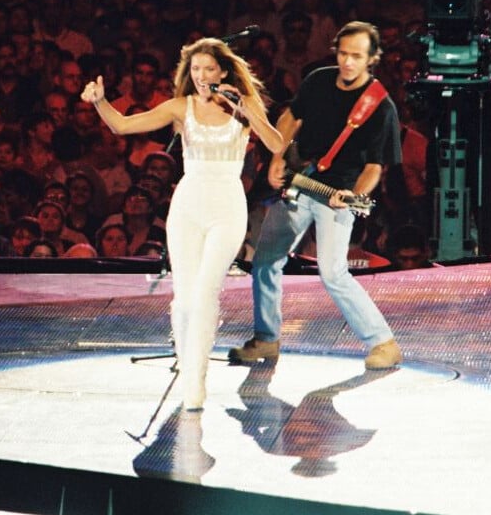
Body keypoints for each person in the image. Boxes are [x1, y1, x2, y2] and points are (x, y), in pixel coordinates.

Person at [81, 36, 284, 411]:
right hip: (188, 204)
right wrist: (100, 102)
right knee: (186, 295)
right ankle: (187, 365)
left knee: (206, 291)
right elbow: (123, 127)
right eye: (195, 69)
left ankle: (197, 378)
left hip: (227, 205)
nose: (202, 75)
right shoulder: (180, 106)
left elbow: (276, 144)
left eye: (209, 69)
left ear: (223, 71)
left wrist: (245, 107)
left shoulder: (244, 106)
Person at [231, 21, 403, 370]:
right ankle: (266, 339)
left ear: (372, 59)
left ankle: (383, 343)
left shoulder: (380, 107)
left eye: (356, 56)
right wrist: (278, 157)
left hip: (337, 194)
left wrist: (353, 196)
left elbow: (374, 167)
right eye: (343, 53)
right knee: (265, 261)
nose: (347, 62)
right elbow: (291, 118)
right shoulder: (318, 81)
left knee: (333, 272)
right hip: (299, 183)